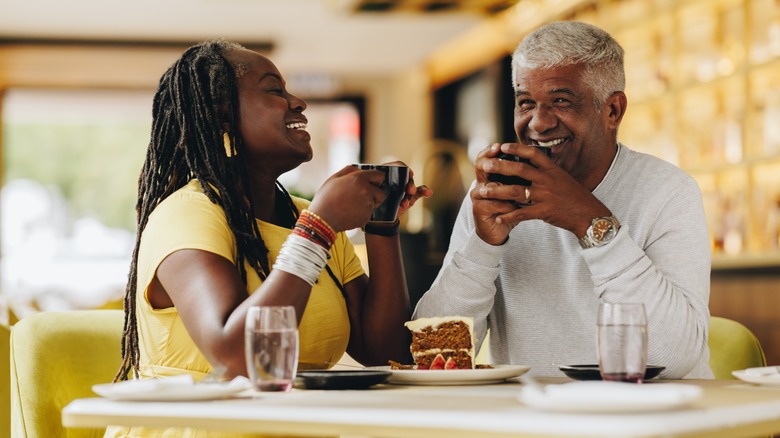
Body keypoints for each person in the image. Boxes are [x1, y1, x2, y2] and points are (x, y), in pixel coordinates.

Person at [108, 39, 430, 437]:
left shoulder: (303, 218)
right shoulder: (188, 212)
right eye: (275, 90)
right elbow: (236, 357)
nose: (298, 102)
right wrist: (319, 227)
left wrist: (382, 222)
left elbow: (385, 353)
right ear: (222, 117)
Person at [414, 21, 713, 379]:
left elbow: (674, 357)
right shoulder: (496, 197)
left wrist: (588, 221)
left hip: (654, 425)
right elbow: (434, 353)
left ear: (613, 111)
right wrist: (483, 246)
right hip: (539, 423)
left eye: (561, 101)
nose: (538, 124)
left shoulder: (668, 192)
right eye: (526, 103)